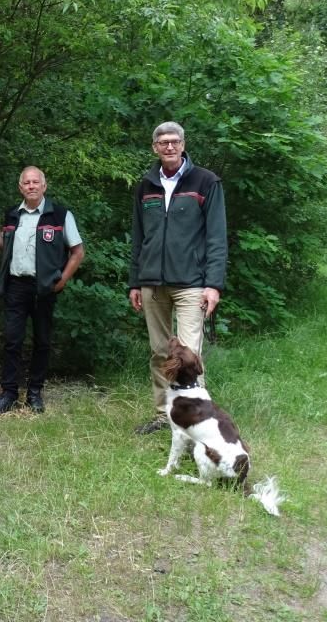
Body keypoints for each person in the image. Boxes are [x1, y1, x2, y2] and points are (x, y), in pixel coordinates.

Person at [128, 122, 227, 434]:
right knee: (159, 353)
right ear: (154, 147)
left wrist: (213, 284)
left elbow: (216, 237)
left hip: (191, 284)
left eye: (174, 142)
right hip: (152, 284)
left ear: (183, 145)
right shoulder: (146, 185)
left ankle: (195, 419)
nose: (168, 147)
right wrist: (134, 281)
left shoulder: (206, 181)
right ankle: (163, 415)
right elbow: (138, 237)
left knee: (187, 355)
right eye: (162, 142)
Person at [0, 166, 84, 414]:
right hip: (16, 286)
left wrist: (60, 281)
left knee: (42, 341)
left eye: (35, 182)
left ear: (44, 185)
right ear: (20, 187)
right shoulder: (12, 215)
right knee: (12, 340)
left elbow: (77, 252)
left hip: (44, 288)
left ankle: (34, 393)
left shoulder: (60, 215)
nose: (31, 186)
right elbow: (4, 245)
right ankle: (9, 393)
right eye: (26, 183)